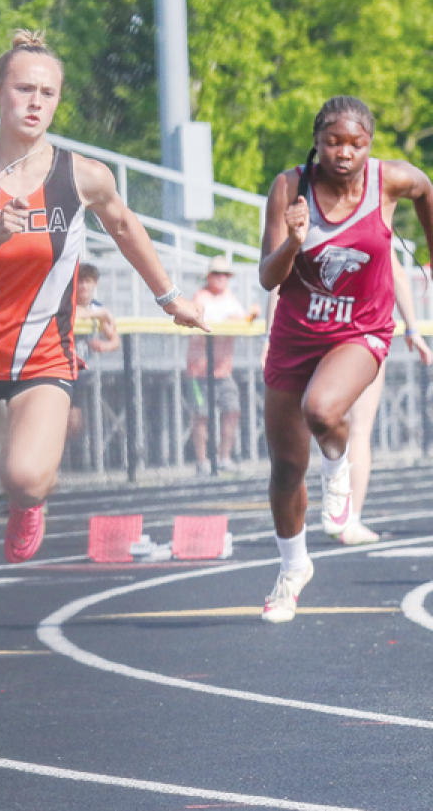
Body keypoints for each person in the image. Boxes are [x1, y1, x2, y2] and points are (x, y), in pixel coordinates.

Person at [0, 30, 206, 671]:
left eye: (47, 92)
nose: (35, 102)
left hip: (44, 356)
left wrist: (170, 296)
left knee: (22, 475)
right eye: (23, 89)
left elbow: (126, 228)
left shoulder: (83, 176)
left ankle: (28, 502)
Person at [258, 95, 433, 625]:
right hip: (296, 333)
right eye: (333, 142)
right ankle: (292, 572)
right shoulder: (290, 188)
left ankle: (338, 471)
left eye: (356, 144)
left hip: (362, 329)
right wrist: (293, 241)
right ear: (316, 141)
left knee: (323, 410)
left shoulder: (390, 180)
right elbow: (268, 277)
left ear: (369, 146)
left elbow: (426, 187)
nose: (344, 153)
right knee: (287, 469)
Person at [339, 255, 432, 545]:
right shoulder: (375, 222)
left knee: (322, 422)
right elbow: (399, 276)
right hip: (364, 331)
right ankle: (350, 518)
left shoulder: (315, 222)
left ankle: (323, 513)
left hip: (320, 326)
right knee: (359, 429)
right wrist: (413, 329)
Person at [184, 256, 260, 475]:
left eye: (224, 275)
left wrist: (251, 316)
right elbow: (209, 326)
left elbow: (242, 319)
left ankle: (224, 457)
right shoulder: (201, 298)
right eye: (217, 274)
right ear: (208, 276)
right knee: (201, 417)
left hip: (223, 372)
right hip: (199, 372)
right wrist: (232, 322)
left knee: (232, 410)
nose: (221, 278)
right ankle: (202, 461)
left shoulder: (229, 297)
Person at [67, 262, 120, 442]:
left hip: (83, 373)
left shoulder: (97, 307)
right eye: (79, 281)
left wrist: (103, 346)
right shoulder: (67, 303)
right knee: (61, 421)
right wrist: (100, 313)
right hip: (61, 370)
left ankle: (72, 461)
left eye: (87, 281)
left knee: (76, 425)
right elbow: (74, 315)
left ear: (95, 283)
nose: (83, 286)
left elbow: (115, 340)